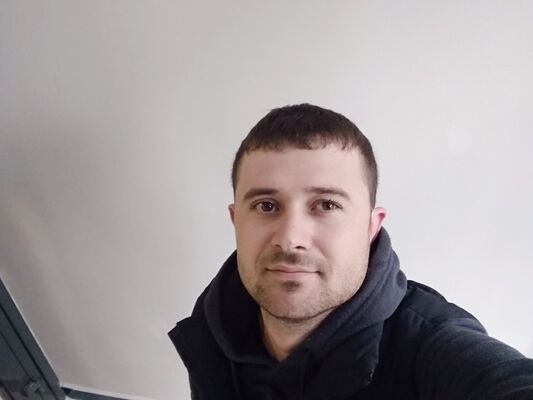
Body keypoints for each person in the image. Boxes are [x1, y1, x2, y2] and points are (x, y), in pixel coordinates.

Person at [169, 104, 533, 399]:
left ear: (371, 227)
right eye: (266, 206)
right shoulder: (214, 327)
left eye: (326, 205)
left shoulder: (430, 348)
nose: (290, 239)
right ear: (236, 220)